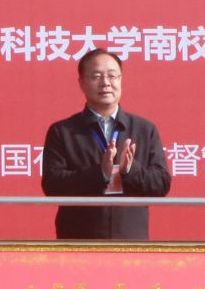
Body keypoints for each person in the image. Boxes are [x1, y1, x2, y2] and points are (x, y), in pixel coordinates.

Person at [41, 48, 171, 240]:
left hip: (130, 239)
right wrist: (99, 173)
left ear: (121, 80)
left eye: (112, 76)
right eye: (96, 76)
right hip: (78, 239)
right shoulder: (62, 131)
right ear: (81, 83)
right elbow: (52, 186)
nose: (106, 83)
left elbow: (161, 184)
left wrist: (130, 170)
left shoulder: (144, 129)